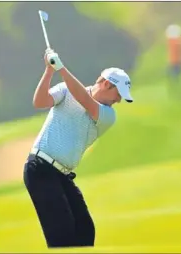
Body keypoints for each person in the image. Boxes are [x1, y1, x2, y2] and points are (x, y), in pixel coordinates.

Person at [23, 49, 133, 248]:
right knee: (61, 236)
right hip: (40, 168)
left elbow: (84, 99)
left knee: (84, 230)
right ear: (107, 84)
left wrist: (61, 69)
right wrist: (49, 70)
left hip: (62, 174)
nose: (118, 101)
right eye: (118, 95)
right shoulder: (65, 89)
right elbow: (39, 102)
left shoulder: (108, 115)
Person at [165, 24, 181, 101]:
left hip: (174, 62)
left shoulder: (173, 41)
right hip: (178, 62)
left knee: (174, 78)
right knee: (178, 78)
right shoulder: (179, 41)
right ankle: (179, 92)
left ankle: (176, 92)